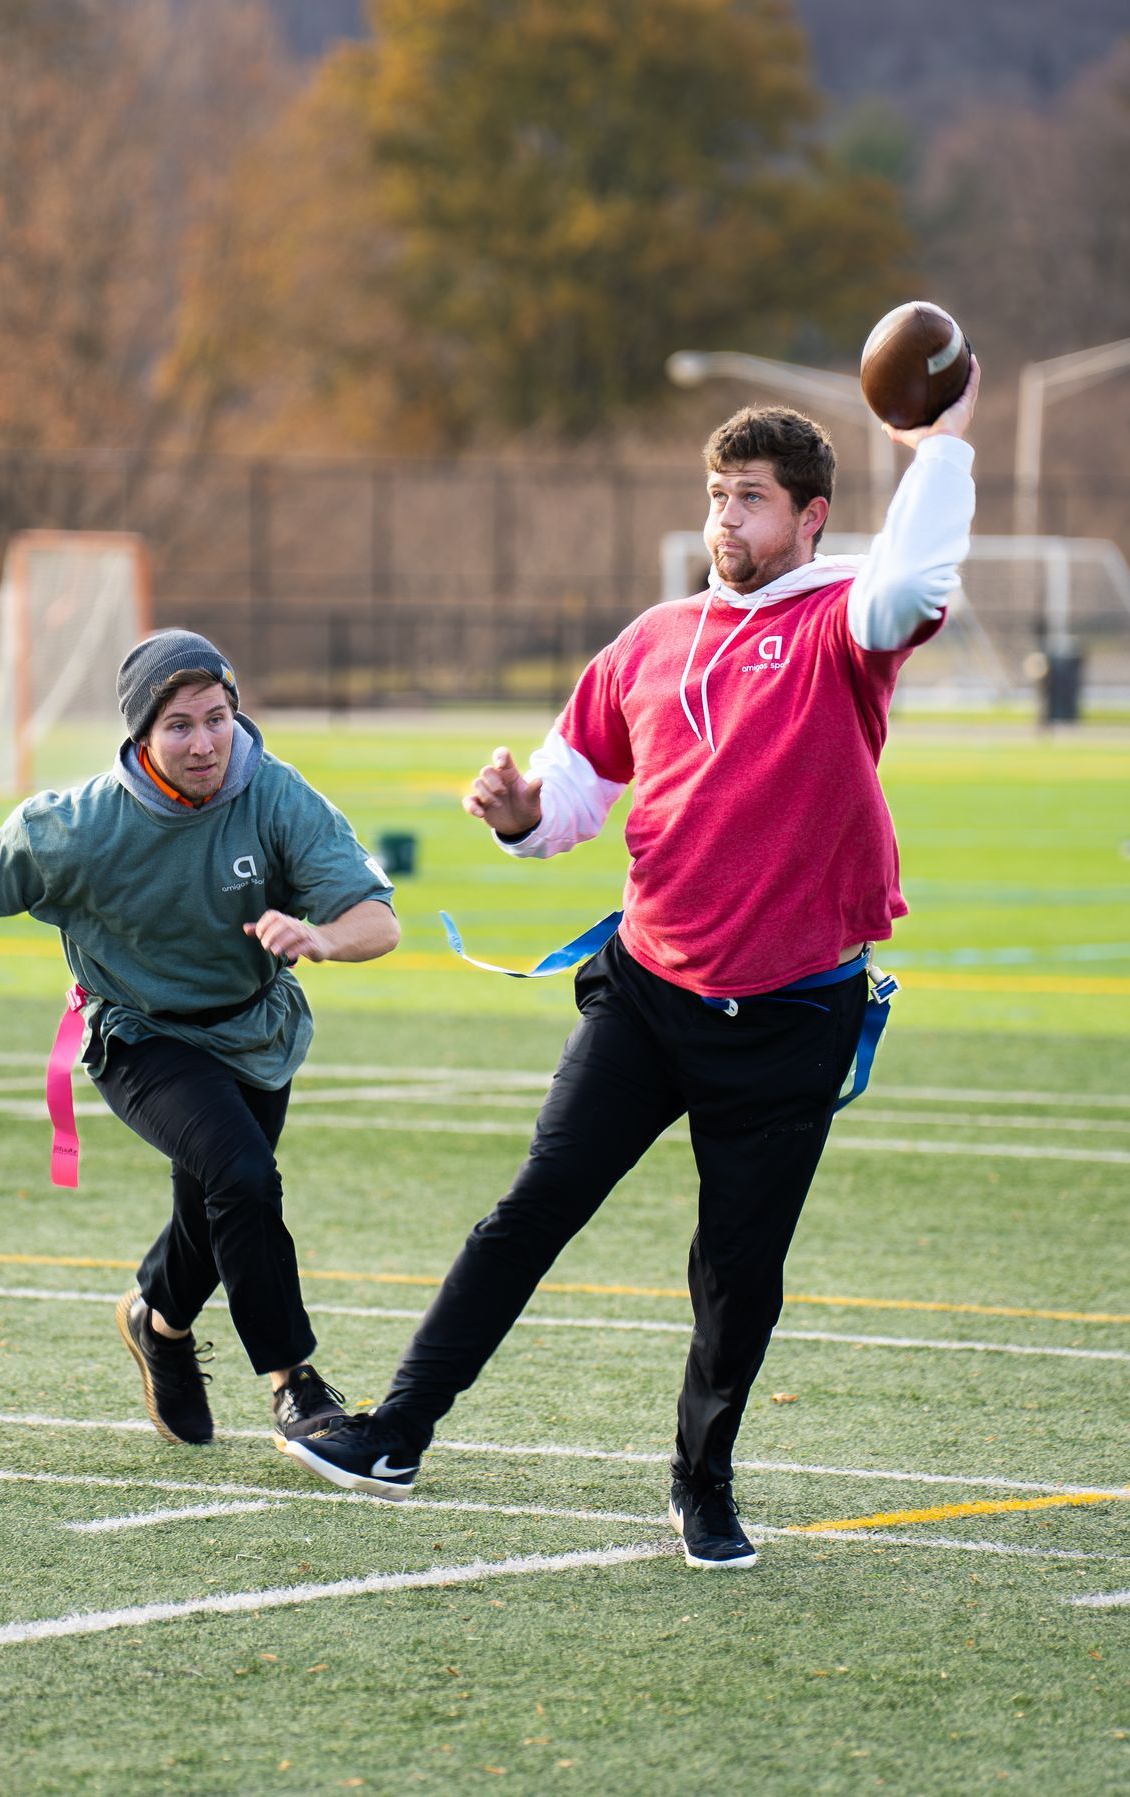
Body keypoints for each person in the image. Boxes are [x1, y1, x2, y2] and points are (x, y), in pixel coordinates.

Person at [283, 363, 981, 1568]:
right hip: (649, 994)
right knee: (530, 1210)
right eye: (716, 495)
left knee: (736, 1273)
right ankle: (394, 1434)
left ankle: (702, 1483)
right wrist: (518, 813)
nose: (726, 519)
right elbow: (571, 794)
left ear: (810, 516)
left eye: (752, 498)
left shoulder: (843, 621)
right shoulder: (652, 640)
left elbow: (917, 580)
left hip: (793, 1014)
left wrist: (943, 443)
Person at [0, 628, 400, 1449]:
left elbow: (378, 920)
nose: (205, 743)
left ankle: (157, 1321)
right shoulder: (74, 825)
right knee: (243, 1173)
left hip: (255, 1029)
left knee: (213, 1203)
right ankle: (294, 1385)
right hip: (139, 1034)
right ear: (140, 733)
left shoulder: (276, 794)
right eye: (179, 725)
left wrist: (322, 937)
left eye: (217, 718)